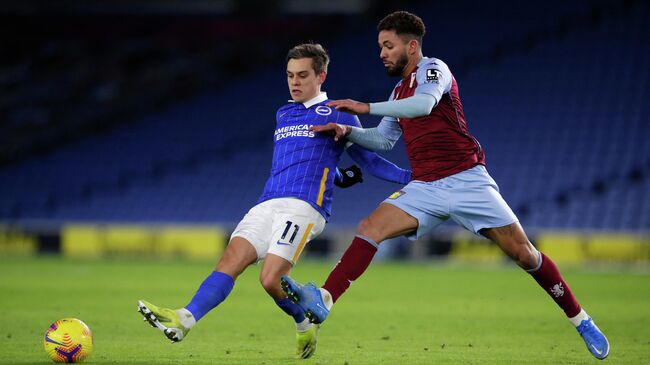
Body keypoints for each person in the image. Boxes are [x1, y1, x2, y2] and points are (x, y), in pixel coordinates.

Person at [280, 11, 610, 360]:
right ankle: (326, 299)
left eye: (388, 46)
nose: (382, 53)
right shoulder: (397, 90)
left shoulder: (433, 69)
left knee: (524, 254)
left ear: (411, 45)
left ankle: (581, 319)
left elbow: (424, 105)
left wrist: (364, 106)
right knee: (369, 228)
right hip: (425, 187)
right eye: (380, 47)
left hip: (468, 179)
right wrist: (349, 132)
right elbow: (384, 139)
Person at [137, 43, 410, 359]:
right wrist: (337, 175)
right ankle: (184, 319)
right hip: (268, 200)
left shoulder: (339, 113)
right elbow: (302, 157)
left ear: (321, 75)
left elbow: (371, 161)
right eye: (290, 75)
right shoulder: (284, 112)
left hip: (305, 205)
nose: (295, 82)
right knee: (231, 260)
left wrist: (412, 177)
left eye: (303, 75)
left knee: (271, 278)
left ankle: (303, 319)